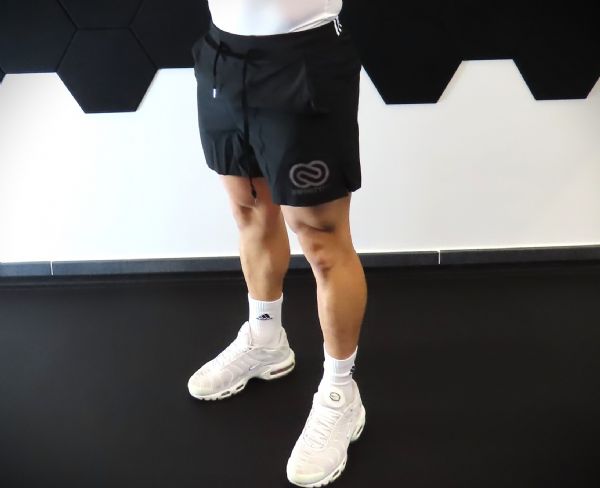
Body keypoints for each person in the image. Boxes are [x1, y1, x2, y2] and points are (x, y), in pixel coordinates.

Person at [187, 1, 367, 486]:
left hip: (301, 60)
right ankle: (266, 339)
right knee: (248, 210)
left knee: (322, 240)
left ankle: (341, 394)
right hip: (222, 56)